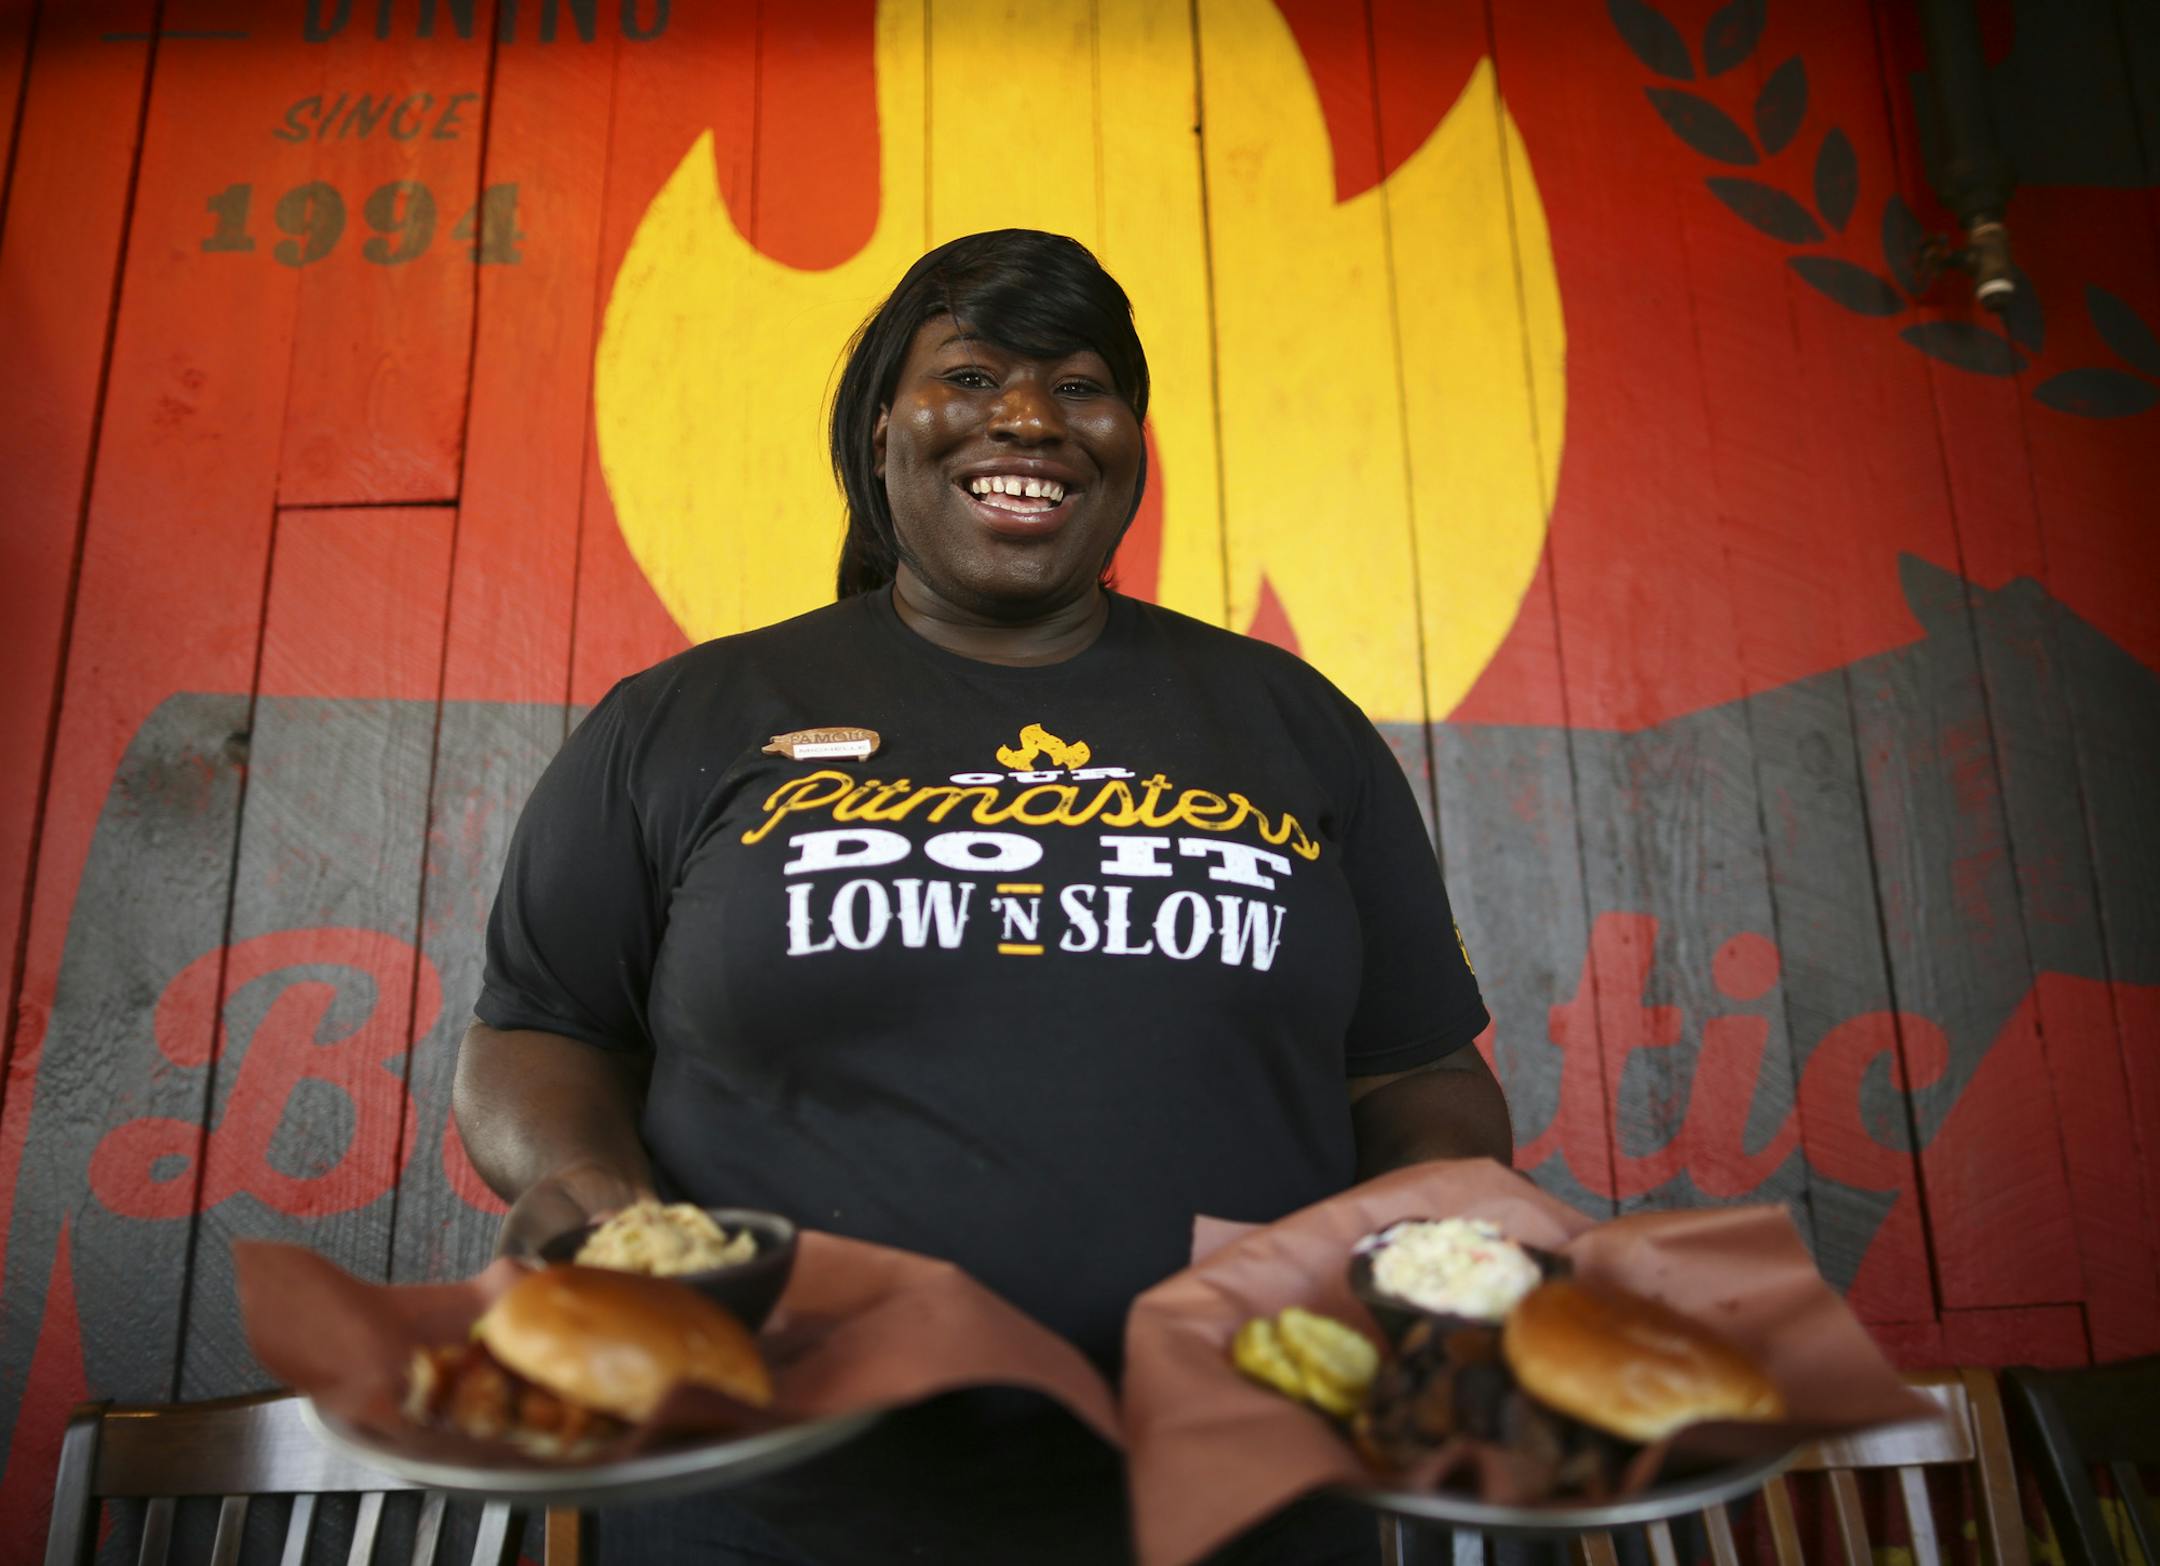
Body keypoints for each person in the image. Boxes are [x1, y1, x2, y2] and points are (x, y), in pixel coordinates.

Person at [453, 228, 1512, 1564]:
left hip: (1233, 1498)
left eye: (1081, 387)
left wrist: (1419, 1246)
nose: (1030, 419)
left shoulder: (1292, 724)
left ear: (1130, 440)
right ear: (881, 427)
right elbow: (538, 1029)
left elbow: (1423, 1077)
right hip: (765, 1503)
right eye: (970, 374)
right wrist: (596, 1194)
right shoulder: (688, 718)